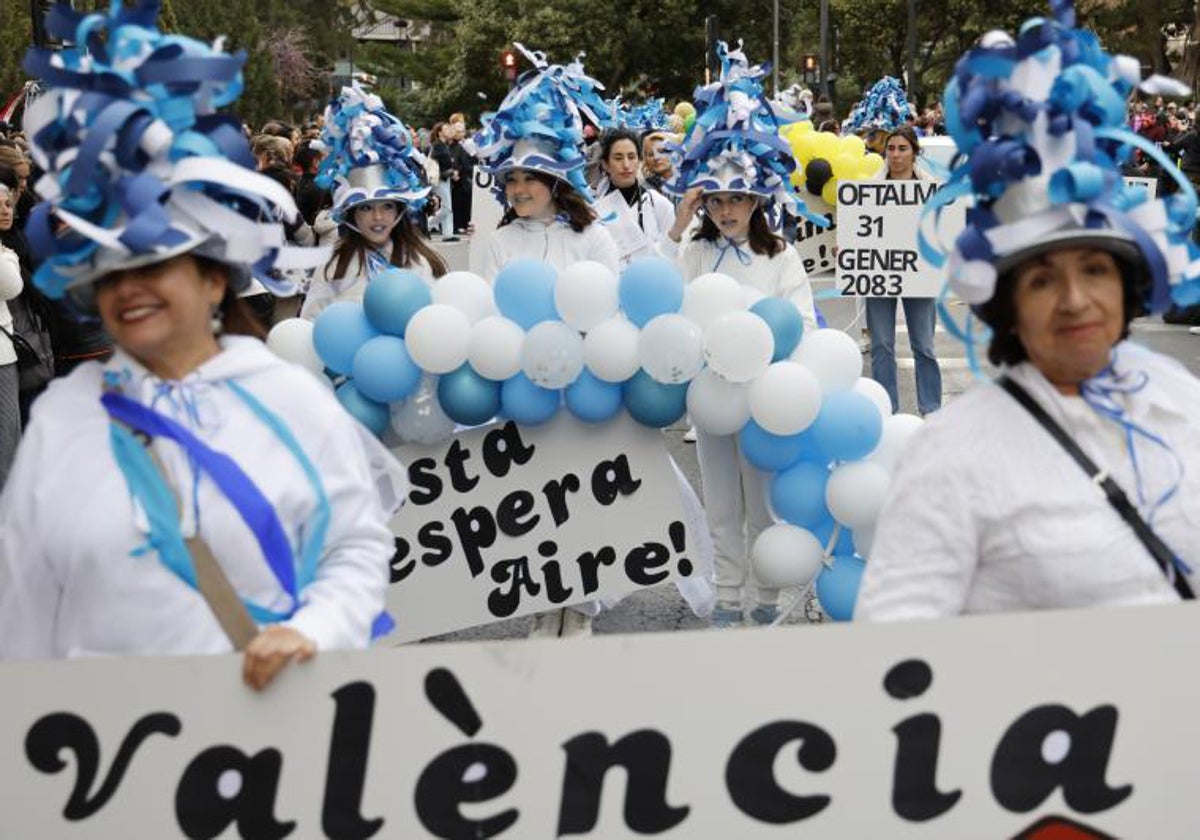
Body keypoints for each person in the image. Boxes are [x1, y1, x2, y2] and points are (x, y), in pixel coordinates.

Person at [1, 1, 403, 690]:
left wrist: (312, 633)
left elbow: (356, 548)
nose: (130, 288)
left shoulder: (284, 400)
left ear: (215, 277)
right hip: (108, 756)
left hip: (265, 744)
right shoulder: (62, 424)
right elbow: (24, 610)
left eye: (157, 262)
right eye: (108, 267)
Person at [855, 0, 1200, 620]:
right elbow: (895, 657)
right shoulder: (952, 455)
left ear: (1127, 285)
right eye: (1042, 280)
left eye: (1095, 270)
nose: (1075, 300)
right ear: (1009, 304)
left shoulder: (1183, 401)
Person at [659, 42, 821, 628]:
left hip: (764, 402)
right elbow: (664, 309)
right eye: (718, 199)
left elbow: (801, 323)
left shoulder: (781, 256)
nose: (727, 210)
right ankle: (727, 593)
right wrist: (678, 225)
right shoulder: (693, 250)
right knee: (721, 504)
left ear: (758, 201)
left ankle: (765, 592)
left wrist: (753, 335)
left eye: (738, 199)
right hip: (709, 400)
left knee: (764, 506)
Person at [469, 49, 619, 281]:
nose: (518, 190)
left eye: (530, 178)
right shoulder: (499, 241)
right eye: (511, 179)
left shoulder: (594, 237)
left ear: (555, 183)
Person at [301, 85, 447, 320]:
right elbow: (311, 324)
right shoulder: (332, 267)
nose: (378, 217)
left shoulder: (423, 260)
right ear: (351, 213)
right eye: (366, 207)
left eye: (387, 206)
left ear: (400, 209)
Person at [864, 126, 942, 415]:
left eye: (902, 148)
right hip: (879, 276)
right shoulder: (867, 191)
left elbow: (941, 232)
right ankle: (886, 408)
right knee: (882, 346)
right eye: (891, 149)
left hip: (919, 277)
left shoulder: (932, 191)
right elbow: (859, 232)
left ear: (914, 152)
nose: (895, 155)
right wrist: (848, 248)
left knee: (924, 345)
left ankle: (931, 408)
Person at [594, 128, 675, 267]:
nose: (626, 165)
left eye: (631, 157)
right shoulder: (595, 212)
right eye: (618, 158)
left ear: (639, 160)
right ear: (606, 164)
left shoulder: (658, 203)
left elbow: (675, 251)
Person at [427, 122, 459, 243]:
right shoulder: (438, 145)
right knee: (446, 207)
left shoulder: (443, 145)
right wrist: (452, 172)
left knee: (447, 207)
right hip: (440, 179)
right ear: (440, 132)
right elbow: (443, 164)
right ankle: (426, 225)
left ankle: (448, 234)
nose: (449, 130)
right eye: (446, 129)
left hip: (444, 179)